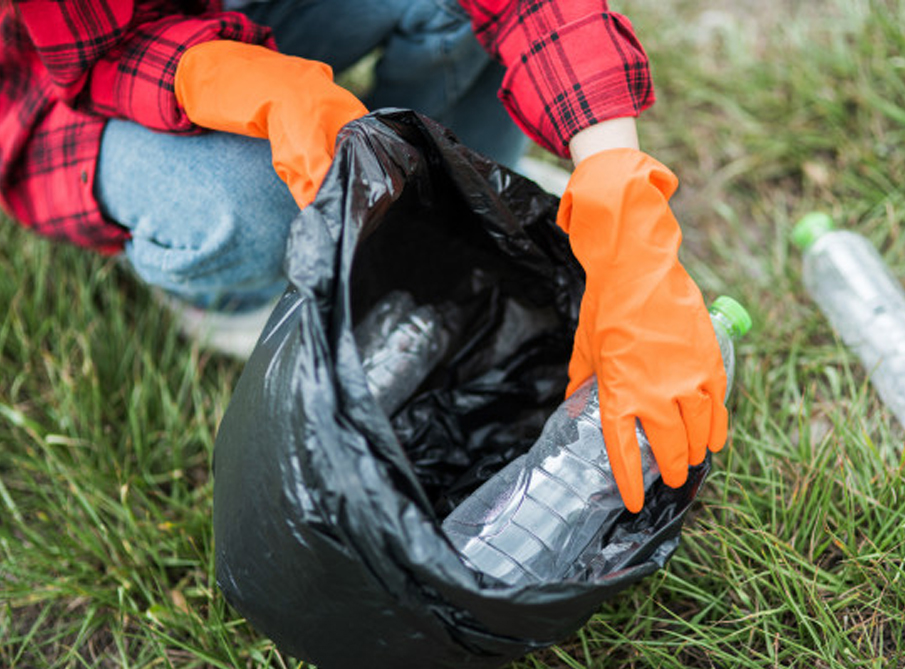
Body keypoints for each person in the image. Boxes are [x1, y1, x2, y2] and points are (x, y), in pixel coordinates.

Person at [0, 0, 728, 512]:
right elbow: (96, 48)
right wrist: (227, 80)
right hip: (54, 74)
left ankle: (439, 186)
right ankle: (230, 290)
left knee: (453, 10)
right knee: (248, 201)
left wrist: (619, 191)